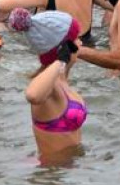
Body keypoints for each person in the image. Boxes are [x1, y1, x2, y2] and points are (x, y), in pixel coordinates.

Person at [9, 8, 88, 163]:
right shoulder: (50, 86)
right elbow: (32, 95)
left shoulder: (62, 80)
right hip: (51, 176)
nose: (80, 42)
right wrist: (60, 61)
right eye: (76, 38)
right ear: (64, 47)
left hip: (68, 172)